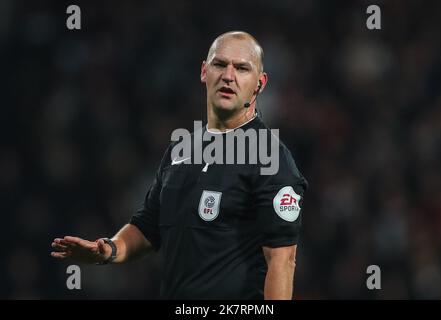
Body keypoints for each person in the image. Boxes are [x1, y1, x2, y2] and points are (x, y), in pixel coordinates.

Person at [51, 31, 308, 300]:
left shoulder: (269, 158)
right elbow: (148, 226)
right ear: (204, 72)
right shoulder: (180, 150)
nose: (228, 76)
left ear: (260, 83)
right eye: (220, 64)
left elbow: (282, 259)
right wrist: (107, 250)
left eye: (242, 68)